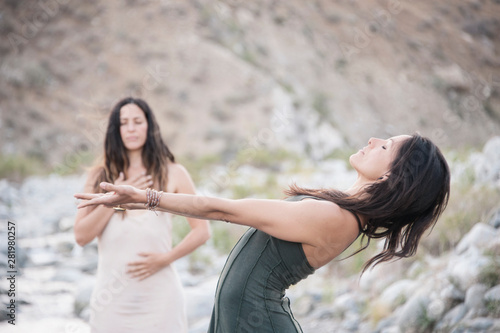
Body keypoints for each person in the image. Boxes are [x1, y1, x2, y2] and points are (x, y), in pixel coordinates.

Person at [75, 133, 450, 333]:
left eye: (384, 146)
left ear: (390, 176)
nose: (371, 140)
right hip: (241, 317)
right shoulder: (345, 211)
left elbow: (224, 209)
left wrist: (146, 197)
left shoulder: (338, 218)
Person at [74, 97, 210, 333]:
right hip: (111, 302)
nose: (131, 128)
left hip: (161, 299)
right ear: (116, 130)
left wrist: (165, 259)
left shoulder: (174, 173)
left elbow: (202, 231)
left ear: (149, 125)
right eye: (124, 123)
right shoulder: (99, 176)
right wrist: (119, 198)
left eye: (137, 121)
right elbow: (81, 236)